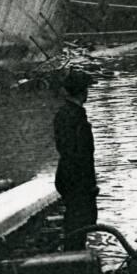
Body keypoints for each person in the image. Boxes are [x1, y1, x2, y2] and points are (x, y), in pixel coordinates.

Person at [53, 69, 99, 251]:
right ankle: (74, 265)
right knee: (81, 224)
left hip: (66, 177)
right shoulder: (77, 118)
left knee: (74, 222)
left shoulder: (62, 114)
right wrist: (90, 185)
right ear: (83, 92)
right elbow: (83, 157)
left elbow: (65, 151)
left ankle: (72, 258)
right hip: (78, 181)